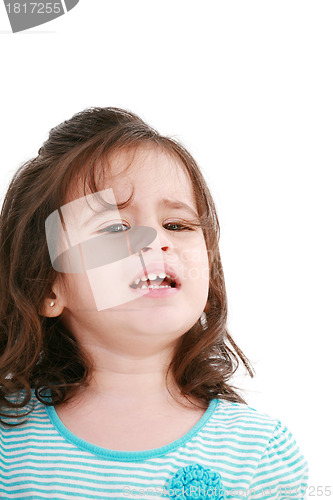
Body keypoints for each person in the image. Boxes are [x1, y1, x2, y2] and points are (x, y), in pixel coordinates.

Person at [0, 107, 309, 499]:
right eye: (114, 228)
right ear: (49, 287)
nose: (155, 241)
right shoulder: (9, 444)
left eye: (177, 226)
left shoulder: (257, 450)